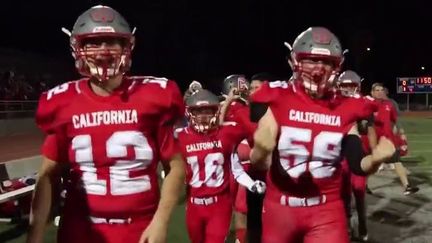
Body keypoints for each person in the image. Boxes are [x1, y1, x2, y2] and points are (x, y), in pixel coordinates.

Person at [27, 5, 185, 243]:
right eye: (94, 42)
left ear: (127, 46)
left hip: (138, 227)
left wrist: (161, 221)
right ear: (77, 47)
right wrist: (35, 235)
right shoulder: (62, 102)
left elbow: (176, 166)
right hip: (80, 228)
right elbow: (47, 174)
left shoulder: (153, 95)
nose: (103, 51)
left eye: (111, 41)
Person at [249, 26, 396, 243]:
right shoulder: (277, 97)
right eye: (311, 60)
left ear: (337, 66)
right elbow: (260, 164)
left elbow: (357, 164)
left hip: (326, 209)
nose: (319, 69)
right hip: (280, 207)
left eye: (326, 62)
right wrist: (261, 150)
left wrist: (375, 160)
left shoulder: (346, 106)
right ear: (294, 61)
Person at [177, 89, 265, 243]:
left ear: (216, 112)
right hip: (194, 205)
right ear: (190, 113)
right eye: (199, 112)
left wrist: (251, 185)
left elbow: (237, 168)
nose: (204, 116)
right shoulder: (181, 136)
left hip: (219, 204)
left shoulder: (227, 133)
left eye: (208, 111)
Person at [337, 70, 376, 242]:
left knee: (359, 192)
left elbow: (371, 130)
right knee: (343, 195)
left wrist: (375, 155)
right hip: (340, 156)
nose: (347, 89)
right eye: (344, 85)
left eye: (350, 85)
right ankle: (347, 227)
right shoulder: (334, 103)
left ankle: (362, 225)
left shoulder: (363, 104)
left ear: (357, 86)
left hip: (359, 155)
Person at [371, 83, 419, 195]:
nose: (379, 92)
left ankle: (406, 186)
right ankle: (363, 186)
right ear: (372, 92)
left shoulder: (389, 105)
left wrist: (401, 133)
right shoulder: (368, 105)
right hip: (373, 139)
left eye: (381, 90)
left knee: (397, 161)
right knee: (371, 163)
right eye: (377, 90)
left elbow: (395, 120)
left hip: (388, 139)